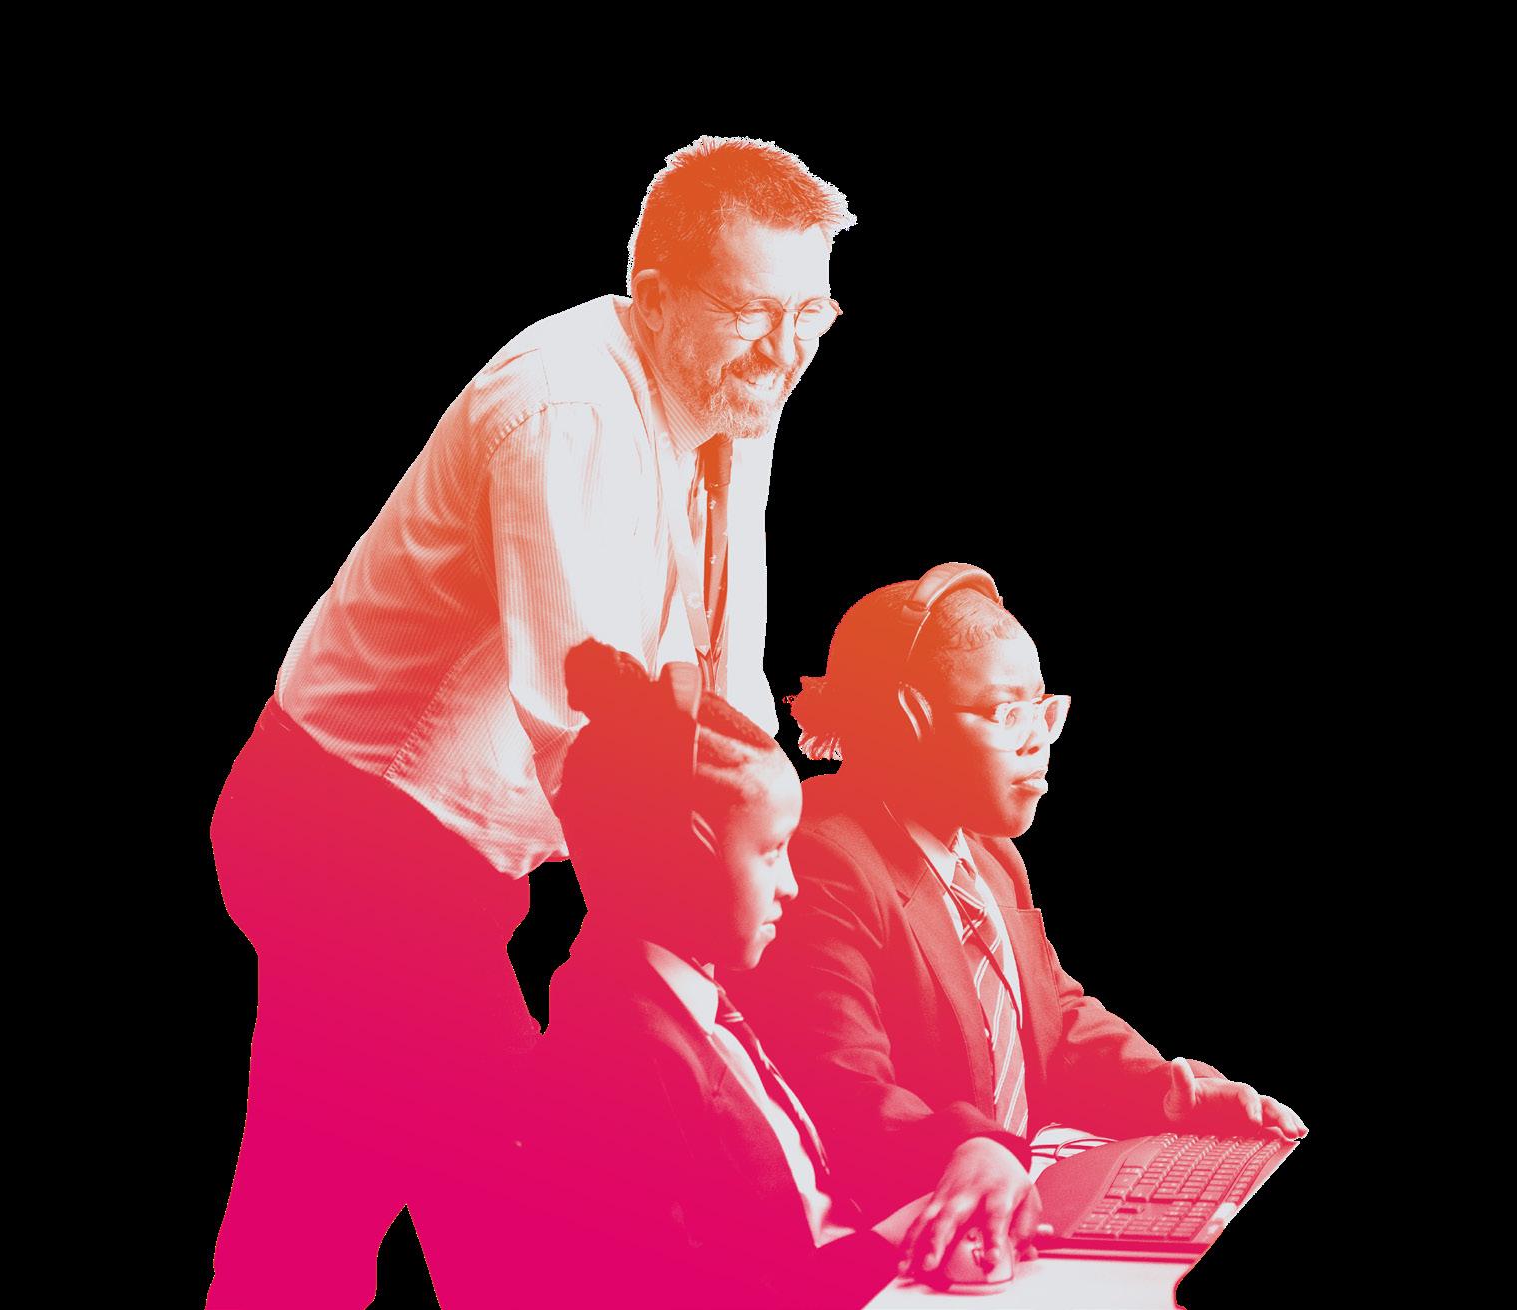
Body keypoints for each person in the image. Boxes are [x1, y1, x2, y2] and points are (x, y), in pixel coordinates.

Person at [205, 135, 855, 1308]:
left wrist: (779, 855)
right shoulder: (571, 412)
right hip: (353, 829)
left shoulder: (730, 392)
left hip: (425, 849)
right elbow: (604, 744)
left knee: (311, 1201)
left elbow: (722, 678)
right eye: (752, 312)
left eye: (808, 313)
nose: (784, 348)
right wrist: (703, 967)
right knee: (524, 1207)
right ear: (656, 294)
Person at [730, 563, 1308, 1286]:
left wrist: (1173, 1093)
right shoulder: (824, 857)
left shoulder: (990, 857)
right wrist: (973, 1147)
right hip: (906, 1243)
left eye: (1044, 710)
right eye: (1007, 713)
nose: (1039, 740)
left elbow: (1053, 1017)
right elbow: (837, 1083)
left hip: (1014, 1208)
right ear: (910, 720)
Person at [509, 640, 913, 1307]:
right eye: (772, 852)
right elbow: (698, 1289)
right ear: (686, 854)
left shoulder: (697, 1000)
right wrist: (894, 1245)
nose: (792, 886)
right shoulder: (623, 1051)